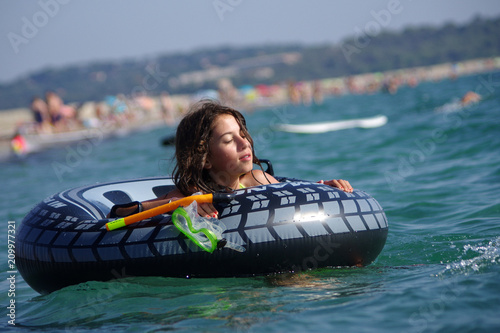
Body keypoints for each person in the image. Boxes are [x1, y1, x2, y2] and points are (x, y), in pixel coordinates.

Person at [109, 100, 352, 218]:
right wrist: (182, 204)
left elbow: (293, 197)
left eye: (242, 134)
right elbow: (119, 213)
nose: (244, 142)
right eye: (228, 140)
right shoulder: (190, 195)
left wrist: (320, 189)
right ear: (205, 159)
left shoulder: (260, 179)